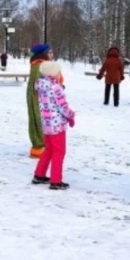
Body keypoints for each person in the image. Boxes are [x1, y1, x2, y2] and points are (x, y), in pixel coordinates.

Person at [32, 61, 75, 190]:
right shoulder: (55, 87)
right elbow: (63, 107)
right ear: (52, 73)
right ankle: (56, 180)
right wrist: (71, 116)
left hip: (46, 124)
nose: (59, 74)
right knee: (59, 152)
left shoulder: (41, 85)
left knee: (49, 150)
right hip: (57, 125)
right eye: (58, 72)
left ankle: (39, 175)